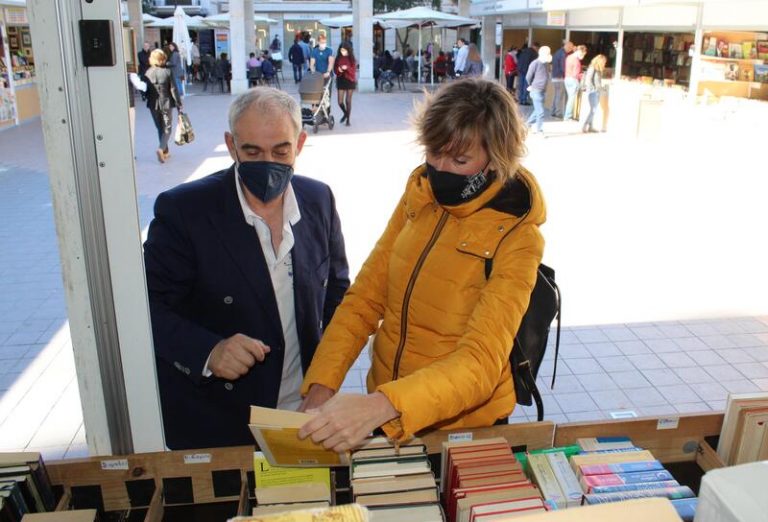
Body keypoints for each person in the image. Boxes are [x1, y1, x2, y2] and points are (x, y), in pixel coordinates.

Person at [297, 78, 545, 451]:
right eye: (433, 152)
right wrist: (321, 386)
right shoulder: (419, 196)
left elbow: (479, 363)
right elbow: (365, 298)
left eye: (460, 160)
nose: (440, 169)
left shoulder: (517, 236)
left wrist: (381, 406)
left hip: (462, 426)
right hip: (386, 410)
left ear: (495, 158)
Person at [143, 87, 351, 450]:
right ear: (230, 144)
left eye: (280, 150)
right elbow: (147, 306)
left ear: (300, 143)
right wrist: (209, 351)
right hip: (220, 420)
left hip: (302, 414)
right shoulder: (184, 211)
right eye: (252, 151)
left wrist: (325, 381)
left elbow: (337, 295)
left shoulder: (319, 199)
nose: (267, 162)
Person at [144, 49, 182, 163]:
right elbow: (174, 89)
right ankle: (161, 149)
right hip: (166, 103)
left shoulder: (147, 73)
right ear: (162, 59)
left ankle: (165, 151)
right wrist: (179, 104)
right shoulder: (167, 72)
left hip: (152, 104)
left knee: (160, 127)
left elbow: (145, 90)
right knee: (167, 128)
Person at [525, 45, 552, 135]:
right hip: (536, 90)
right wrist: (531, 85)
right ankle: (539, 130)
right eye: (547, 53)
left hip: (542, 90)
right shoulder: (535, 63)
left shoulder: (546, 64)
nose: (549, 55)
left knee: (537, 111)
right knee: (540, 112)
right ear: (542, 53)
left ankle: (527, 124)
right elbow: (528, 76)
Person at [582, 54, 607, 133]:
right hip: (593, 91)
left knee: (594, 109)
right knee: (593, 109)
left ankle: (590, 126)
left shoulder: (598, 69)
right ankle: (585, 125)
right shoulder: (593, 68)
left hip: (596, 91)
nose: (604, 63)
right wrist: (592, 88)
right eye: (604, 62)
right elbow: (588, 79)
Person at [334, 42, 357, 126]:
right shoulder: (338, 58)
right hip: (340, 79)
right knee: (340, 102)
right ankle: (345, 113)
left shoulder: (352, 58)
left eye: (344, 50)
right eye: (341, 50)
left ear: (348, 50)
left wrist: (347, 68)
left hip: (350, 80)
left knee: (348, 101)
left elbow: (353, 70)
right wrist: (339, 70)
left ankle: (348, 120)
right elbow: (335, 69)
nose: (342, 51)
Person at [564, 45, 586, 121]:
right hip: (573, 80)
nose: (583, 56)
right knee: (571, 99)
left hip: (567, 79)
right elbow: (576, 74)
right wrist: (583, 75)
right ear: (580, 52)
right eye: (583, 54)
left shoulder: (568, 57)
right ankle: (568, 116)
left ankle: (567, 115)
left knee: (570, 98)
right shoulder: (576, 61)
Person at [550, 40, 572, 118]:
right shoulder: (563, 54)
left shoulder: (558, 52)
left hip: (555, 76)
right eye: (570, 47)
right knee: (559, 95)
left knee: (556, 95)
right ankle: (557, 112)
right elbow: (563, 67)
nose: (571, 49)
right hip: (560, 77)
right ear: (565, 46)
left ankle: (553, 110)